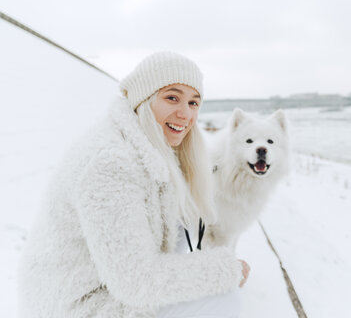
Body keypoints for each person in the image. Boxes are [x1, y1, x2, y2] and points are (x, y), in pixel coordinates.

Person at [18, 51, 250, 318]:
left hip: (106, 287)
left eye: (194, 103)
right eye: (172, 97)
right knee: (222, 299)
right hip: (76, 304)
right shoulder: (110, 165)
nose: (185, 114)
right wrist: (223, 269)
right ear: (144, 99)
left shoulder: (151, 149)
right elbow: (136, 282)